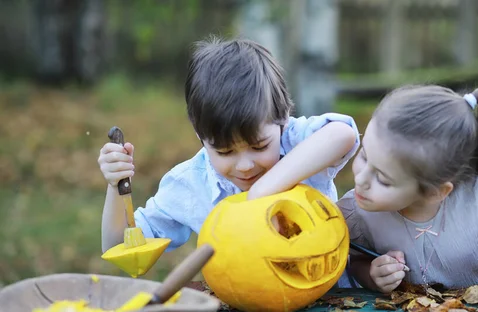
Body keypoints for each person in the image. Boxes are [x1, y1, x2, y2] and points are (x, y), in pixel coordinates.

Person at [98, 37, 359, 252]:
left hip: (331, 300)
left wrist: (263, 190)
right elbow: (118, 245)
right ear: (200, 135)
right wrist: (115, 185)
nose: (245, 166)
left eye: (259, 146)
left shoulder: (295, 141)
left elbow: (342, 135)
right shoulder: (191, 183)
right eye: (224, 151)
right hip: (240, 308)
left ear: (282, 120)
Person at [337, 85, 478, 293]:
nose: (361, 179)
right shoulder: (359, 212)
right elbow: (355, 260)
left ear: (436, 191)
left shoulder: (477, 188)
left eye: (383, 179)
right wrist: (371, 275)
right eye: (365, 155)